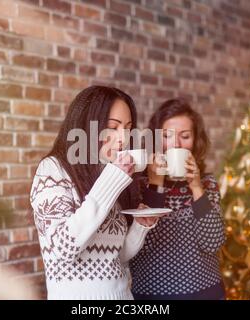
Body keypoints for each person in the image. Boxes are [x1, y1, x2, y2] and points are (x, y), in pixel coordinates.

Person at [30, 86, 157, 300]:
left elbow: (116, 256)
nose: (123, 139)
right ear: (86, 125)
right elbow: (61, 251)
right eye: (112, 127)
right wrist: (112, 180)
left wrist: (139, 227)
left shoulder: (107, 172)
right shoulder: (52, 170)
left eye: (128, 128)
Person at [130, 98, 226, 300]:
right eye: (167, 136)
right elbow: (139, 248)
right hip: (153, 298)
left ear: (195, 141)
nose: (175, 144)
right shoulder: (137, 184)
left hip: (206, 295)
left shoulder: (207, 183)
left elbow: (213, 243)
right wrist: (156, 186)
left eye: (185, 136)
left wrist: (196, 187)